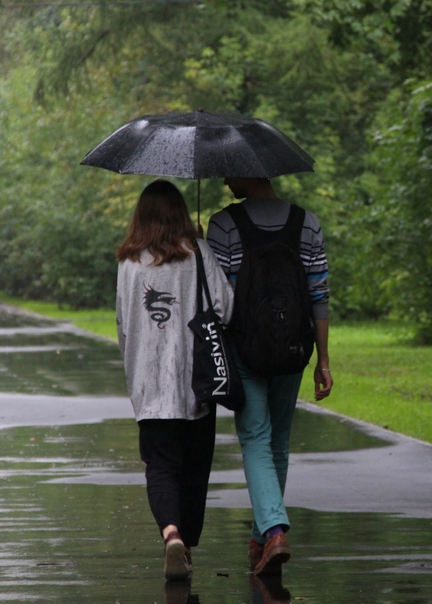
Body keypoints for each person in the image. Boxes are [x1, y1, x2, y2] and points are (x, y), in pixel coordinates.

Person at [206, 176, 333, 577]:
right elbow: (319, 294)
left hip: (247, 349)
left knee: (255, 439)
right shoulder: (306, 222)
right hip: (295, 348)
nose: (225, 179)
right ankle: (262, 537)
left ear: (250, 173)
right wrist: (324, 360)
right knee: (278, 439)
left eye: (230, 172)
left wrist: (201, 254)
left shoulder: (224, 224)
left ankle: (276, 530)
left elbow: (218, 298)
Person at [115, 179, 234, 581]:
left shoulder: (129, 262)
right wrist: (203, 252)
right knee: (195, 468)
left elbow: (123, 324)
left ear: (141, 216)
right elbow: (225, 308)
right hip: (195, 383)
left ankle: (171, 535)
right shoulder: (198, 252)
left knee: (161, 467)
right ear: (182, 213)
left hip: (148, 387)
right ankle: (187, 543)